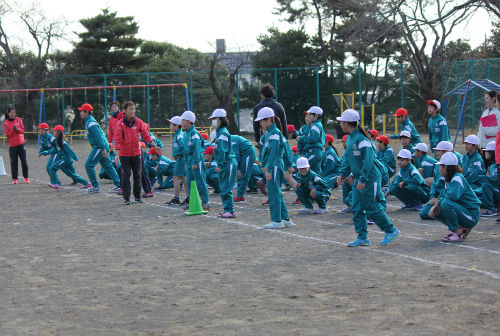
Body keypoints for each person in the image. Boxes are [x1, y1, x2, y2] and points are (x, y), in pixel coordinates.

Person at [336, 109, 400, 246]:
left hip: (370, 177)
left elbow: (368, 160)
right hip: (360, 177)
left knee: (371, 207)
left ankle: (391, 230)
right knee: (357, 207)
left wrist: (363, 179)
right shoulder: (351, 138)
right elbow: (348, 159)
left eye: (341, 122)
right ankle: (362, 237)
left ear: (347, 123)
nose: (340, 124)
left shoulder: (361, 139)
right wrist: (342, 174)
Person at [428, 152, 481, 242]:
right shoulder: (448, 179)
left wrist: (437, 203)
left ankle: (456, 232)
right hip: (464, 211)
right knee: (437, 209)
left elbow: (452, 197)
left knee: (445, 203)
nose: (439, 169)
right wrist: (436, 203)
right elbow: (443, 194)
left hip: (471, 215)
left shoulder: (457, 178)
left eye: (441, 166)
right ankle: (461, 229)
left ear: (447, 168)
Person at [255, 107, 293, 229]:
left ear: (269, 120)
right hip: (274, 166)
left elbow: (274, 153)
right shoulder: (270, 133)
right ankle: (285, 219)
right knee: (277, 193)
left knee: (274, 193)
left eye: (262, 120)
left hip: (275, 166)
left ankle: (277, 221)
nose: (260, 123)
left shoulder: (274, 134)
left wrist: (269, 169)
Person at [115, 101, 160, 205]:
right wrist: (117, 155)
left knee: (137, 176)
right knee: (126, 175)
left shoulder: (139, 122)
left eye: (133, 109)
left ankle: (137, 197)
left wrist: (154, 145)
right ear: (125, 111)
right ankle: (126, 198)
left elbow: (145, 135)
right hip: (124, 154)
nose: (132, 111)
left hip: (136, 153)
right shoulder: (120, 123)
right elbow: (117, 139)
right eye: (130, 109)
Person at [78, 103, 121, 194]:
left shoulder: (91, 123)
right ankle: (119, 185)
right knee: (108, 166)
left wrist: (102, 149)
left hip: (99, 146)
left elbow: (98, 137)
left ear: (87, 112)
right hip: (101, 146)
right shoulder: (88, 121)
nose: (80, 113)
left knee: (88, 165)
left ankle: (95, 186)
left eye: (82, 111)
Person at [41, 125, 90, 190]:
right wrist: (45, 152)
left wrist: (75, 157)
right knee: (71, 174)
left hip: (65, 160)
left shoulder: (62, 142)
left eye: (55, 130)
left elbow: (69, 150)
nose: (53, 131)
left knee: (51, 168)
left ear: (58, 132)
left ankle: (55, 184)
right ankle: (86, 183)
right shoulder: (56, 140)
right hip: (64, 160)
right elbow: (54, 150)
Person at [209, 108, 237, 218]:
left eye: (214, 119)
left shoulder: (223, 133)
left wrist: (219, 164)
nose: (213, 121)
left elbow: (223, 151)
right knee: (224, 187)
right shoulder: (219, 132)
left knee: (226, 188)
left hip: (227, 163)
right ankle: (228, 210)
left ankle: (229, 211)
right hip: (225, 163)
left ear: (220, 119)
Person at [420, 141, 457, 219]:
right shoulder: (438, 165)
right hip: (437, 196)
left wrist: (439, 200)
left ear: (446, 152)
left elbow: (448, 188)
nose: (436, 152)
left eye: (439, 150)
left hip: (445, 197)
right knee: (423, 214)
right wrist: (433, 196)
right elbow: (434, 183)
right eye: (436, 150)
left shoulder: (450, 166)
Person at [181, 110, 211, 210]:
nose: (182, 122)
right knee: (189, 182)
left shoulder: (194, 133)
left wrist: (195, 162)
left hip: (196, 160)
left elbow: (197, 149)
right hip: (189, 160)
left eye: (183, 120)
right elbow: (185, 149)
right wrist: (186, 162)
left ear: (188, 121)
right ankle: (193, 202)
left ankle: (206, 202)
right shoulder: (186, 133)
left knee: (200, 181)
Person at [3, 106, 29, 184]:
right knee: (14, 162)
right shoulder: (5, 123)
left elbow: (23, 130)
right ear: (8, 114)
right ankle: (15, 179)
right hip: (12, 145)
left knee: (24, 161)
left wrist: (18, 130)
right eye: (11, 113)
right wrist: (13, 131)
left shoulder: (18, 119)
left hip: (21, 143)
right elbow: (7, 135)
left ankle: (26, 177)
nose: (13, 114)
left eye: (14, 113)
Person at [166, 116, 189, 206]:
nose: (170, 126)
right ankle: (187, 197)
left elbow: (184, 147)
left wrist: (178, 154)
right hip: (180, 159)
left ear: (176, 126)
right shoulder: (177, 135)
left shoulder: (179, 135)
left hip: (181, 159)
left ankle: (177, 198)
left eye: (171, 124)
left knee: (176, 178)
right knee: (183, 179)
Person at [297, 106, 326, 174]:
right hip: (310, 152)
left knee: (301, 167)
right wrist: (300, 152)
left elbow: (312, 139)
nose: (307, 117)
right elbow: (300, 142)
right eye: (306, 115)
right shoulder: (305, 127)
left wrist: (301, 138)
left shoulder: (317, 126)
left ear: (316, 116)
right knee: (316, 173)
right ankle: (320, 184)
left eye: (309, 115)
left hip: (314, 152)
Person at [231, 134, 257, 203]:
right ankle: (254, 187)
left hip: (248, 153)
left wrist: (238, 168)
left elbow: (235, 155)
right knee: (246, 172)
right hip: (245, 153)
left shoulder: (231, 140)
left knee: (243, 173)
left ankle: (240, 197)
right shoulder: (228, 139)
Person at [476, 141, 498, 217]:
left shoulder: (497, 166)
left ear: (492, 153)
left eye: (487, 152)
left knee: (486, 185)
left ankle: (491, 208)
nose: (485, 153)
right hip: (496, 191)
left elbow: (495, 180)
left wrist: (482, 178)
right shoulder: (493, 165)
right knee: (478, 196)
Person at [339, 134, 353, 214]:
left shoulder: (351, 152)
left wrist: (351, 176)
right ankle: (349, 206)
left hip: (355, 176)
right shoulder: (346, 152)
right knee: (345, 184)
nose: (343, 144)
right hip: (347, 174)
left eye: (344, 142)